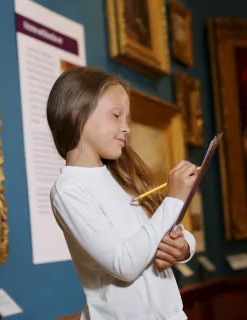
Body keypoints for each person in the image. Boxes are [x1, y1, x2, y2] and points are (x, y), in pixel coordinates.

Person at [46, 66, 197, 320]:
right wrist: (173, 200)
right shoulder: (68, 191)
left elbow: (177, 233)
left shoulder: (122, 176)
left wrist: (182, 248)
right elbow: (124, 264)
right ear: (76, 115)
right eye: (116, 115)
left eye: (126, 119)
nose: (126, 127)